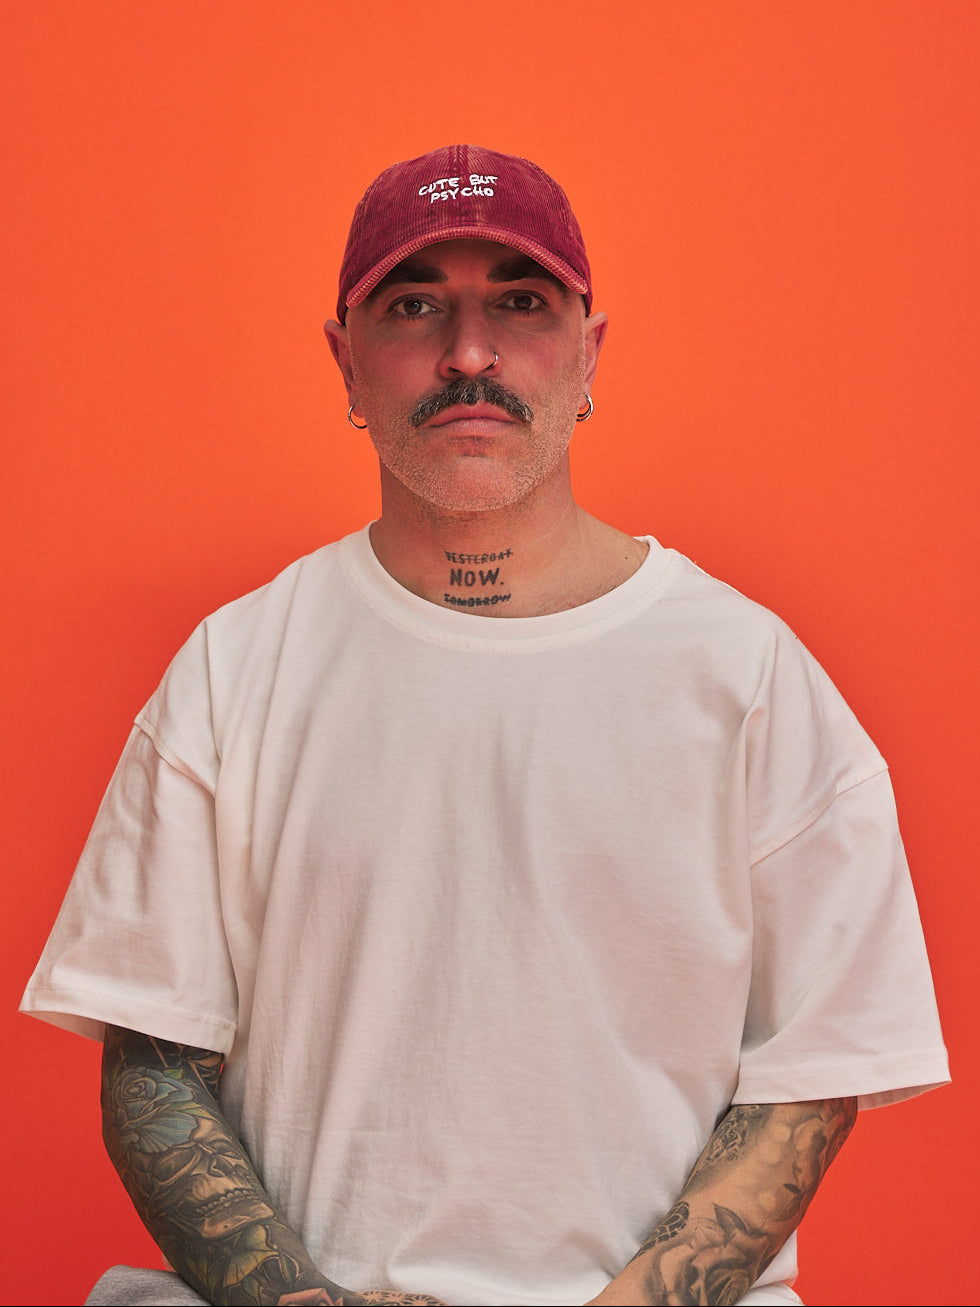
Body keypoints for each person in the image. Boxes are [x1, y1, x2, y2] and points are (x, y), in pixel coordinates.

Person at [22, 144, 948, 1307]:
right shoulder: (233, 665)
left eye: (520, 301)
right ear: (344, 363)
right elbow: (154, 1061)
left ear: (589, 356)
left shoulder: (750, 673)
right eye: (416, 306)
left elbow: (814, 1071)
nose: (469, 353)